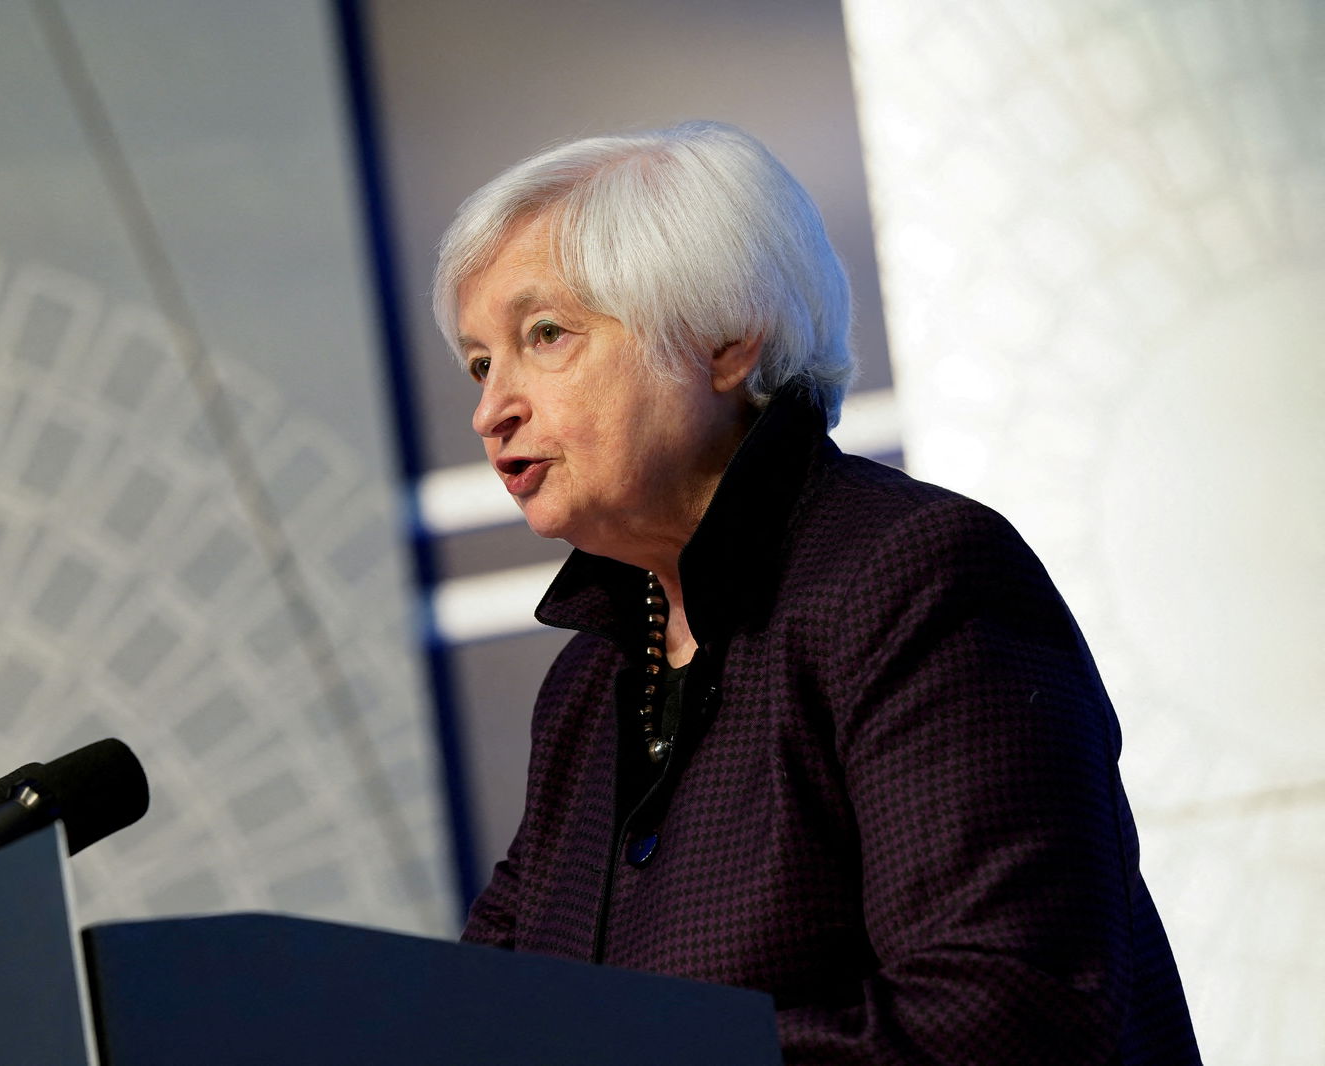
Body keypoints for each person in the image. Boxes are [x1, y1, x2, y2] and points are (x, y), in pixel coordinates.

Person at [434, 121, 1201, 1064]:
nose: (488, 410)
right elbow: (484, 1021)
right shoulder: (588, 686)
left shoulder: (919, 577)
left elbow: (1009, 1012)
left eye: (544, 335)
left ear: (726, 338)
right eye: (479, 363)